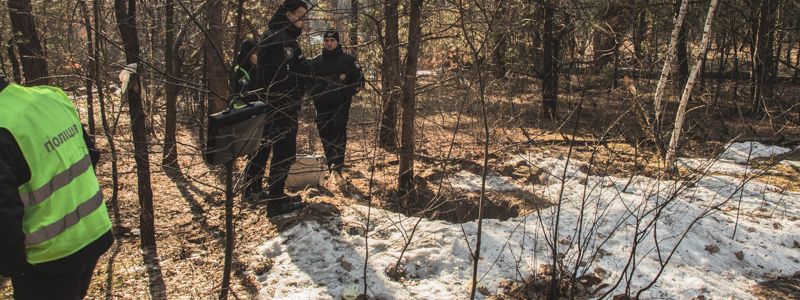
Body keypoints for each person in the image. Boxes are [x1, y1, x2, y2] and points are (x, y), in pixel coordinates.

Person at [0, 75, 113, 299]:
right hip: (93, 232)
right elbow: (89, 154)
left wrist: (13, 268)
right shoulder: (51, 96)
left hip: (48, 259)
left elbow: (3, 214)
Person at [244, 0, 309, 217]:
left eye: (304, 17)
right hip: (280, 107)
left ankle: (258, 191)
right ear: (288, 14)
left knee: (266, 148)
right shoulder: (278, 38)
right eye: (300, 16)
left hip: (278, 106)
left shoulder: (282, 36)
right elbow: (280, 77)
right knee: (284, 152)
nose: (303, 22)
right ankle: (275, 201)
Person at [307, 30, 364, 189]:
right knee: (325, 133)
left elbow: (359, 82)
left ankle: (337, 168)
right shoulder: (316, 62)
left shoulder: (348, 61)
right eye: (326, 40)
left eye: (332, 40)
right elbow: (307, 82)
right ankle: (331, 163)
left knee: (338, 132)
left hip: (341, 104)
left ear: (337, 42)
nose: (329, 43)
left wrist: (344, 93)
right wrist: (316, 95)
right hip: (322, 105)